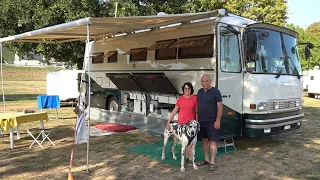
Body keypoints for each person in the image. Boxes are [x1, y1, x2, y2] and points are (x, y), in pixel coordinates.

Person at [166, 82, 198, 165]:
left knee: (190, 144)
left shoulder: (194, 98)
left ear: (191, 89)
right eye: (185, 88)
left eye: (188, 88)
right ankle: (187, 158)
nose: (187, 90)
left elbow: (197, 112)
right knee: (185, 143)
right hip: (181, 124)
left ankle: (191, 159)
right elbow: (175, 110)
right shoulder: (180, 98)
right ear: (183, 90)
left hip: (191, 125)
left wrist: (197, 124)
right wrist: (169, 121)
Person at [196, 74, 223, 171]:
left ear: (210, 81)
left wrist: (218, 120)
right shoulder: (199, 91)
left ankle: (212, 161)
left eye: (206, 81)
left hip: (212, 121)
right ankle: (206, 159)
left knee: (212, 141)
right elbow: (198, 107)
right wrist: (197, 119)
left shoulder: (216, 92)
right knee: (204, 140)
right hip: (201, 121)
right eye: (202, 81)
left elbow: (220, 107)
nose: (204, 83)